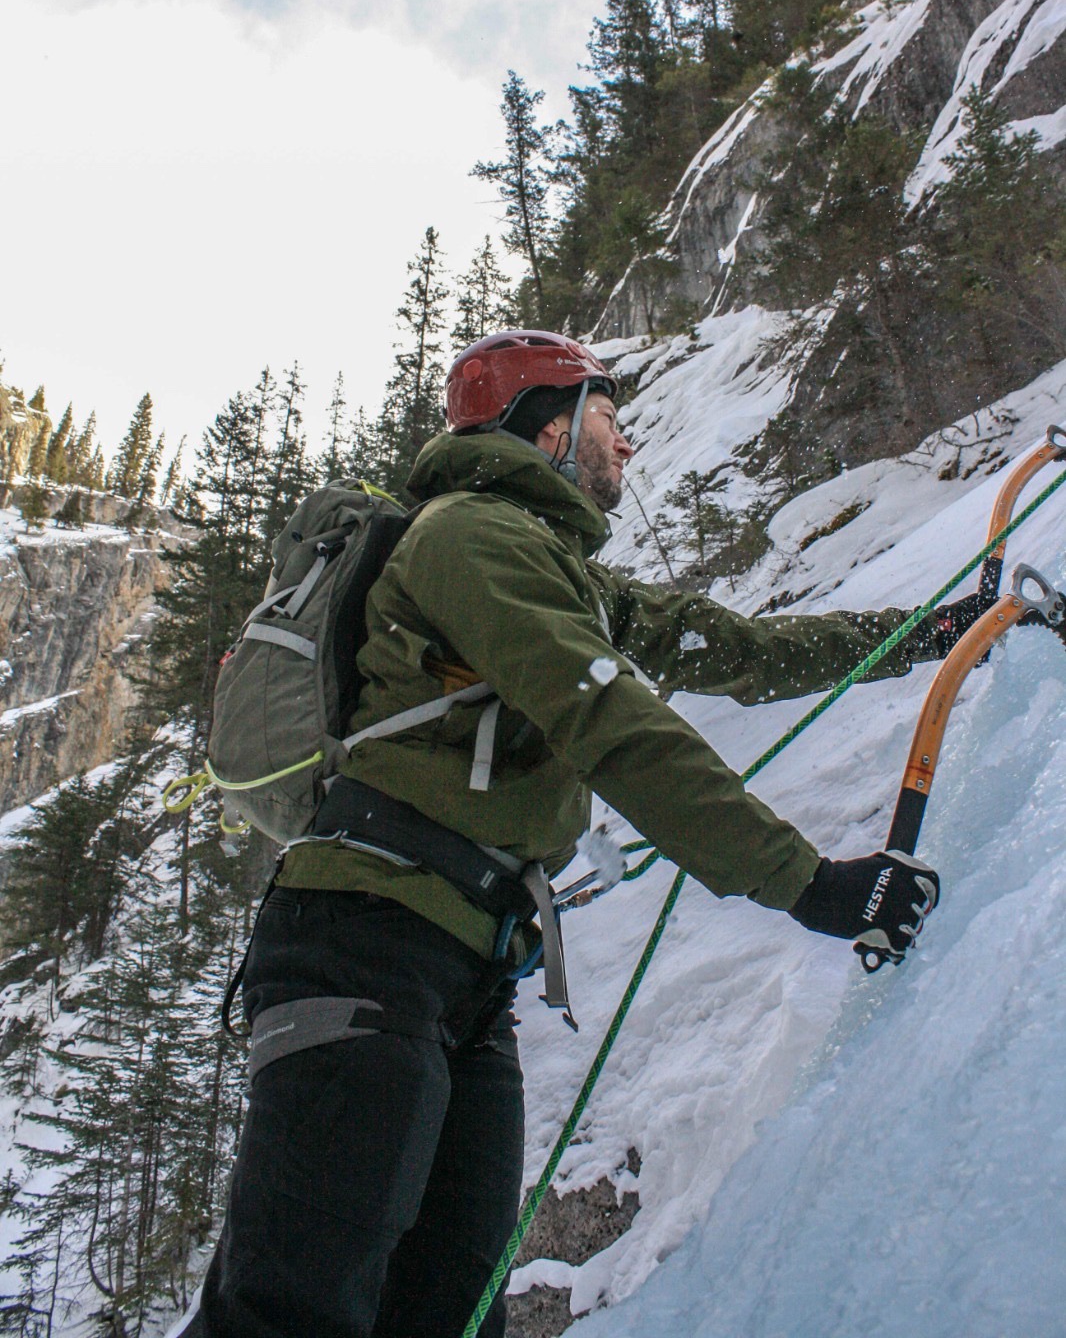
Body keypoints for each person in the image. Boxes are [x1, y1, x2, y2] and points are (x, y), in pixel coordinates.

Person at [194, 329, 964, 1338]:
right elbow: (605, 716)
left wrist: (930, 633)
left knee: (448, 1314)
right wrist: (808, 883)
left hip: (462, 972)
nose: (625, 443)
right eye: (608, 418)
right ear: (549, 430)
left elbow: (733, 647)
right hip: (364, 942)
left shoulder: (551, 567)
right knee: (290, 1310)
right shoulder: (467, 537)